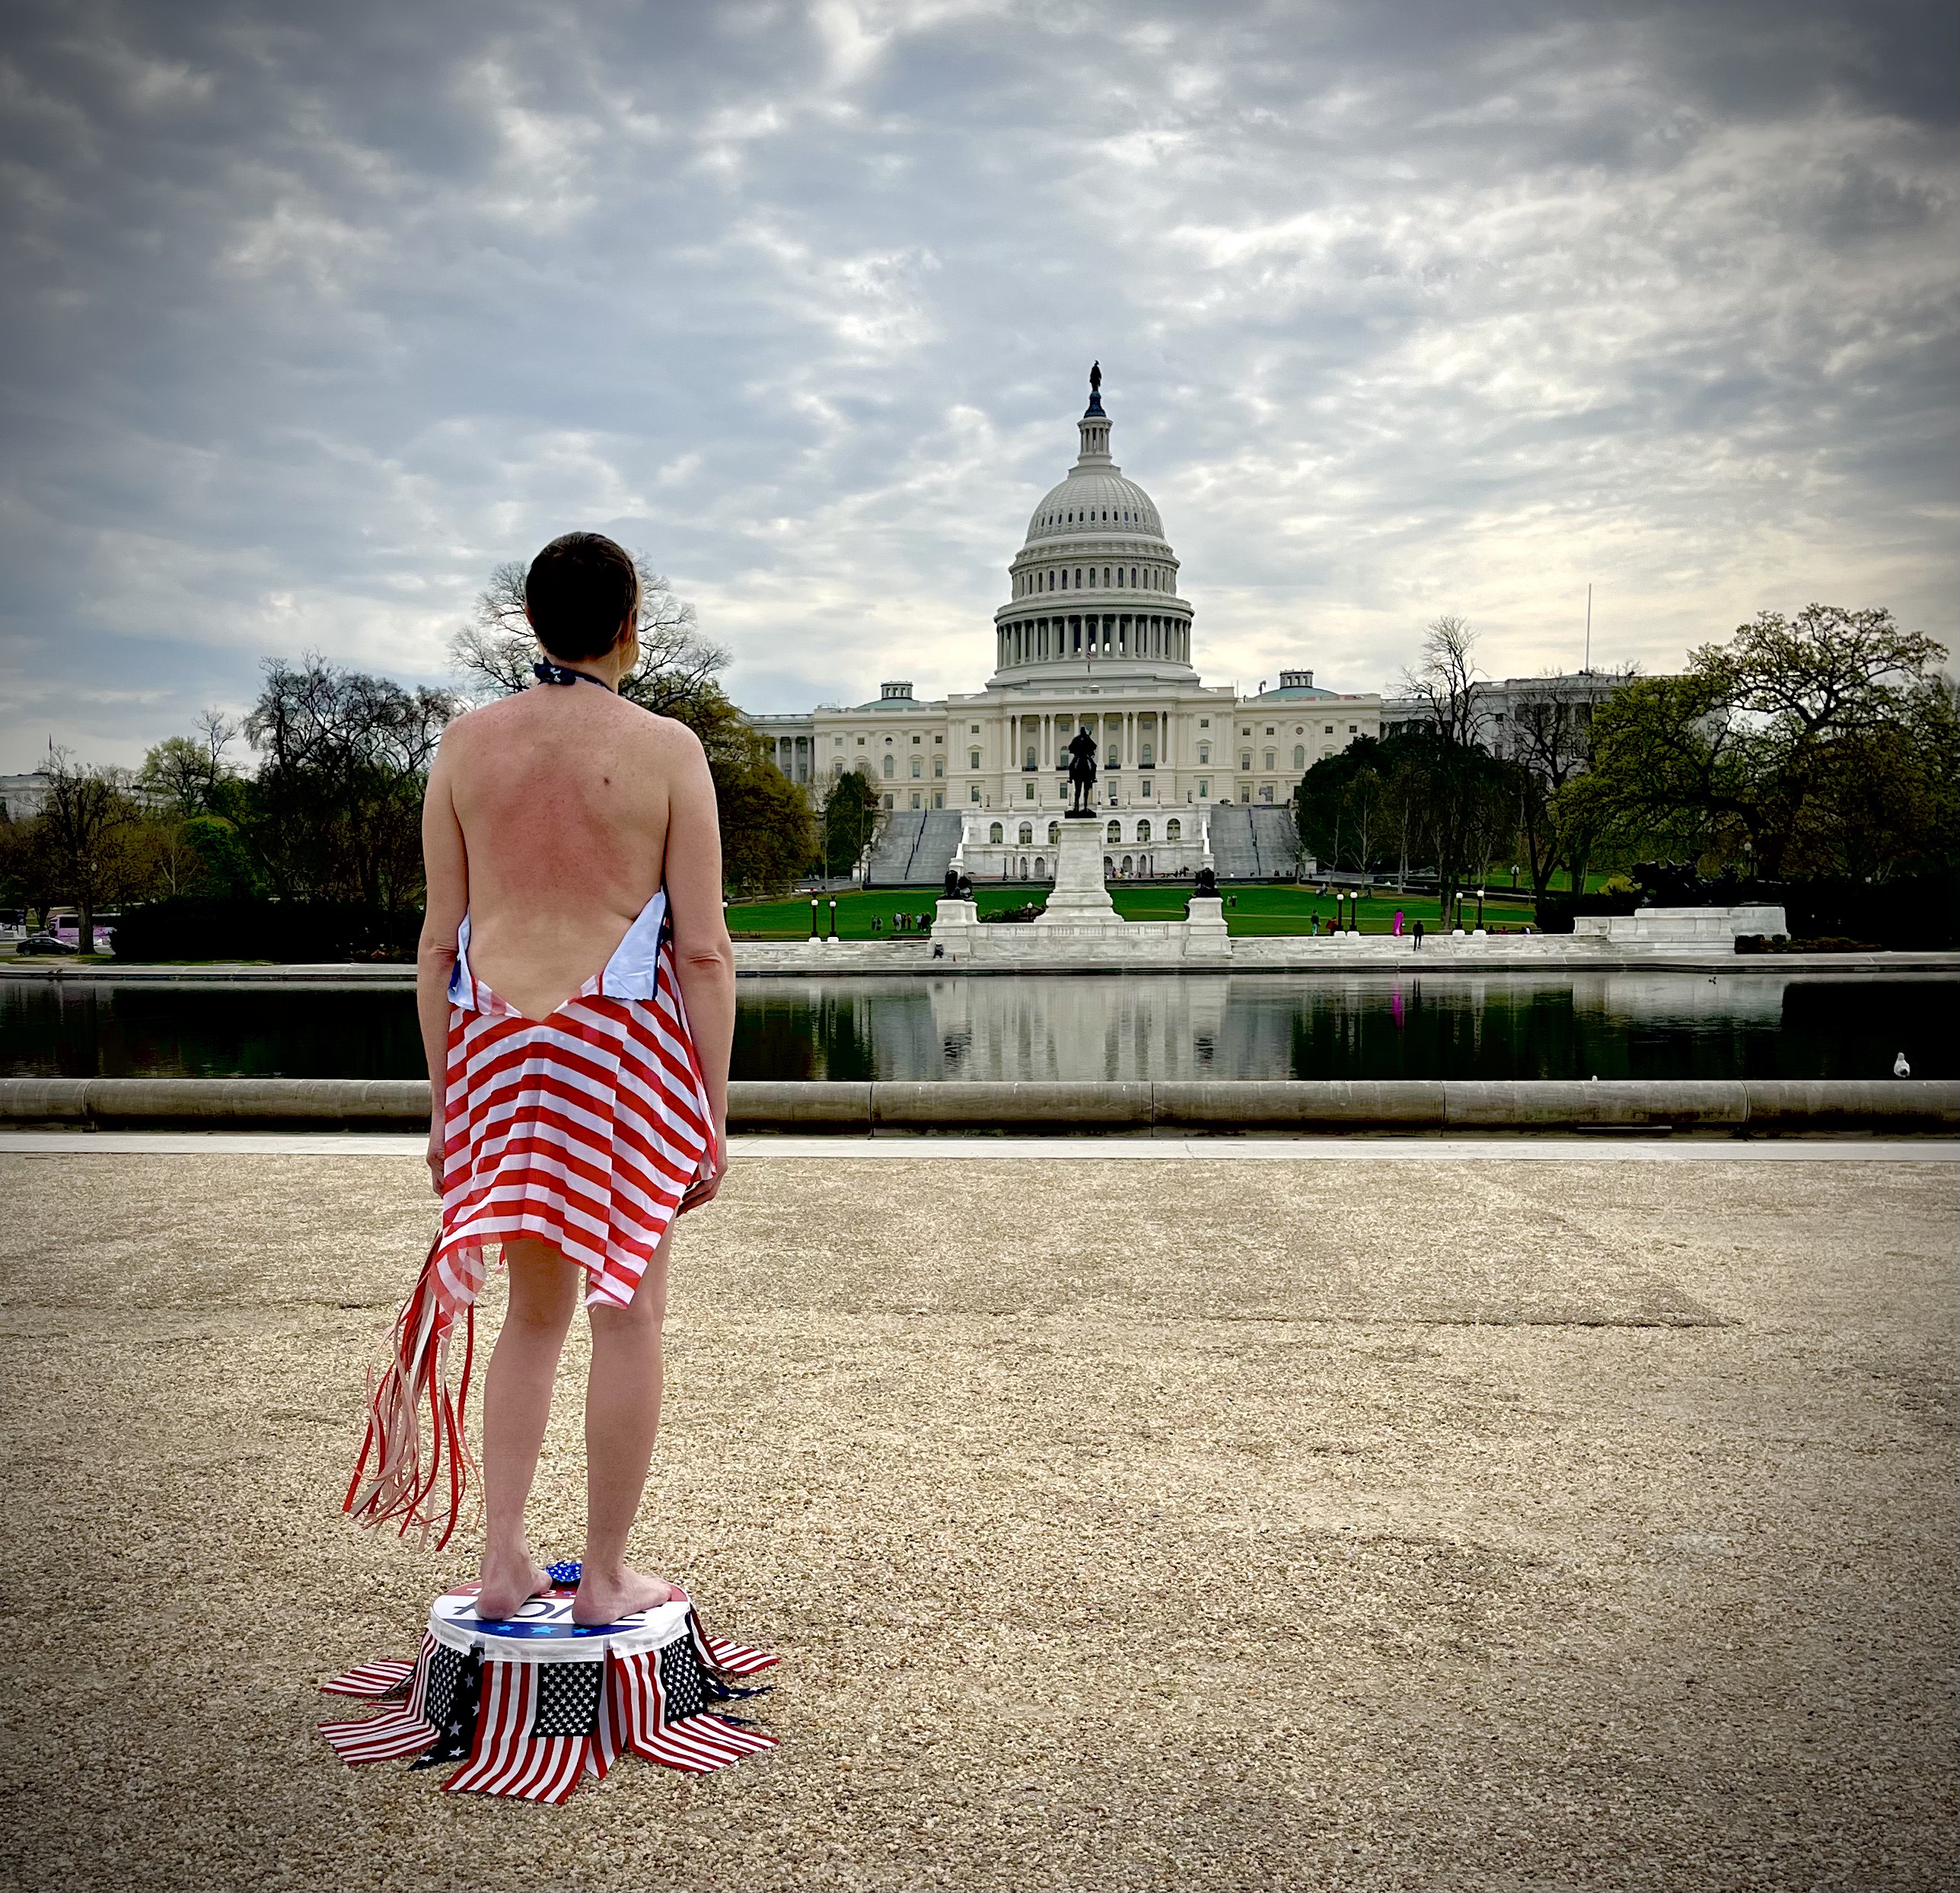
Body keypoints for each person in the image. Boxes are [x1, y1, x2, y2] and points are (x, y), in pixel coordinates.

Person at [345, 531, 735, 1629]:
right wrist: (710, 1111)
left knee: (531, 1312)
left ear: (530, 623)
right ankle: (606, 1578)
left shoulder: (466, 747)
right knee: (630, 1310)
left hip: (500, 1046)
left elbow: (438, 944)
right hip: (618, 1047)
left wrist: (444, 1104)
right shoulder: (667, 749)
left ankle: (505, 1558)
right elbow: (702, 950)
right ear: (630, 626)